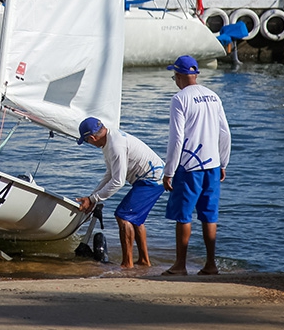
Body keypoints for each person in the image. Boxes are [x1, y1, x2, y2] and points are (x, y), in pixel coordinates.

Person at [162, 55, 231, 276]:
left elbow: (176, 139)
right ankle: (211, 264)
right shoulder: (213, 96)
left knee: (184, 215)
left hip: (189, 165)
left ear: (180, 76)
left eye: (174, 75)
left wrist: (169, 171)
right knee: (209, 215)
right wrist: (223, 162)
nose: (174, 79)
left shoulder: (179, 99)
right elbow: (225, 133)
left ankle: (180, 265)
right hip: (212, 164)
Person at [76, 117, 165, 268]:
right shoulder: (109, 141)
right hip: (151, 177)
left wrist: (93, 199)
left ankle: (127, 264)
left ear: (92, 137)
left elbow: (118, 181)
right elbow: (109, 174)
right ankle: (144, 261)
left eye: (86, 141)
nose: (88, 144)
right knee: (135, 219)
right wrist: (92, 198)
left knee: (123, 216)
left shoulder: (116, 145)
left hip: (153, 178)